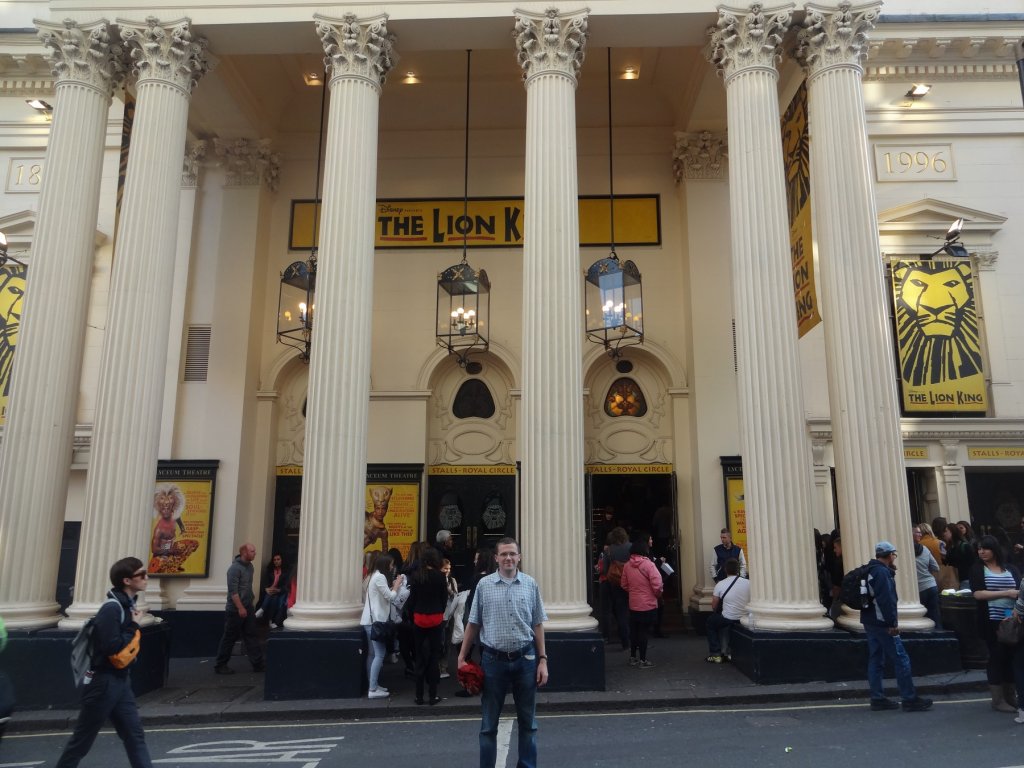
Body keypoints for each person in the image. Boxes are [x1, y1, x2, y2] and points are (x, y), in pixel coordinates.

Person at [54, 557, 154, 768]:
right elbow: (111, 647)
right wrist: (133, 626)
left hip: (120, 681)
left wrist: (132, 624)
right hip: (103, 682)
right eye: (142, 575)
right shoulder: (112, 609)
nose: (147, 578)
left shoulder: (128, 605)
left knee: (134, 735)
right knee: (81, 742)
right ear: (127, 580)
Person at [458, 537, 548, 768]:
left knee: (528, 724)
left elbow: (537, 624)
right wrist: (461, 656)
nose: (508, 558)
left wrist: (543, 660)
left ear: (519, 557)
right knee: (488, 726)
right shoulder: (484, 585)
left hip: (525, 660)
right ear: (496, 558)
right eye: (504, 554)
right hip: (493, 661)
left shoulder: (530, 584)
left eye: (512, 554)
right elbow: (473, 623)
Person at [862, 541, 932, 712]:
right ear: (890, 555)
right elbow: (886, 600)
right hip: (882, 623)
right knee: (901, 659)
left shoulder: (870, 570)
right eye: (894, 554)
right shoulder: (881, 573)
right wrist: (892, 623)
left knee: (876, 659)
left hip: (869, 621)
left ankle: (877, 697)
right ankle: (909, 698)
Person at [968, 535, 1020, 713]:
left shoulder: (1011, 568)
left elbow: (1020, 591)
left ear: (994, 549)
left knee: (1011, 657)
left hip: (1011, 620)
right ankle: (998, 700)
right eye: (979, 548)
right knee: (996, 657)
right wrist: (1007, 592)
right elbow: (978, 594)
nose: (981, 552)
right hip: (991, 620)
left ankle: (1010, 695)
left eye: (985, 548)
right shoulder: (977, 569)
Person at [213, 542, 264, 674]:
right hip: (235, 610)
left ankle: (258, 664)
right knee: (229, 637)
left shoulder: (250, 567)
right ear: (244, 553)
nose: (255, 553)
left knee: (251, 635)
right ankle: (220, 665)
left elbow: (247, 588)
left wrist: (249, 604)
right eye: (252, 551)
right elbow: (233, 592)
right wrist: (240, 608)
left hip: (248, 606)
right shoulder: (234, 569)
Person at [407, 547, 448, 705]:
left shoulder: (417, 576)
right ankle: (433, 695)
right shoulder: (440, 576)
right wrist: (440, 611)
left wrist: (412, 617)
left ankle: (418, 696)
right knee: (433, 656)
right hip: (435, 617)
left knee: (419, 656)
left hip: (419, 617)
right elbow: (443, 598)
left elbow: (412, 600)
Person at [360, 554, 405, 699]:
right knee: (379, 654)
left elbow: (384, 595)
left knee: (372, 655)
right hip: (376, 622)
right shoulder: (380, 577)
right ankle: (373, 689)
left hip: (369, 621)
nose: (392, 567)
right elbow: (391, 597)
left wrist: (392, 587)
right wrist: (397, 585)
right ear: (385, 565)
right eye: (391, 565)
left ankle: (373, 684)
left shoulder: (373, 576)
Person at [620, 538, 663, 668]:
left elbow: (624, 584)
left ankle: (632, 657)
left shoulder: (627, 565)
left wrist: (634, 592)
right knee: (644, 632)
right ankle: (643, 660)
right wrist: (657, 595)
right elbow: (657, 584)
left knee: (634, 631)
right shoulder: (649, 565)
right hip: (648, 604)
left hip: (634, 603)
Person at [705, 558, 750, 663]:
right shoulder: (749, 583)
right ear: (738, 570)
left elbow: (714, 606)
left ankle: (715, 654)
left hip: (728, 618)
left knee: (710, 622)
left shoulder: (720, 584)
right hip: (744, 618)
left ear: (725, 570)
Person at [599, 526, 631, 651]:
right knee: (629, 612)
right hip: (630, 584)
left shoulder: (609, 550)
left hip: (615, 584)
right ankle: (631, 641)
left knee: (618, 612)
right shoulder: (631, 547)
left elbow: (606, 570)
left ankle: (619, 640)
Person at [913, 527, 942, 630]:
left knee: (921, 617)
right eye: (918, 532)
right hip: (931, 585)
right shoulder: (925, 549)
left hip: (918, 588)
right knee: (935, 615)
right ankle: (939, 635)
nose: (920, 535)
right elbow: (936, 567)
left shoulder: (906, 551)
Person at [255, 553, 291, 629]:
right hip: (271, 592)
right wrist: (266, 589)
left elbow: (287, 585)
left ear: (282, 560)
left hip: (281, 592)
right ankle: (270, 619)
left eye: (278, 559)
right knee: (271, 596)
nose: (276, 561)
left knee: (281, 602)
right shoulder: (269, 571)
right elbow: (265, 583)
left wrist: (279, 590)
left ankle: (263, 611)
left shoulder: (286, 571)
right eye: (274, 560)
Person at [944, 524, 976, 589]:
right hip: (954, 579)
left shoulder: (965, 546)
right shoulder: (949, 547)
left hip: (965, 580)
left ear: (952, 532)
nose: (944, 534)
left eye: (946, 531)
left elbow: (973, 563)